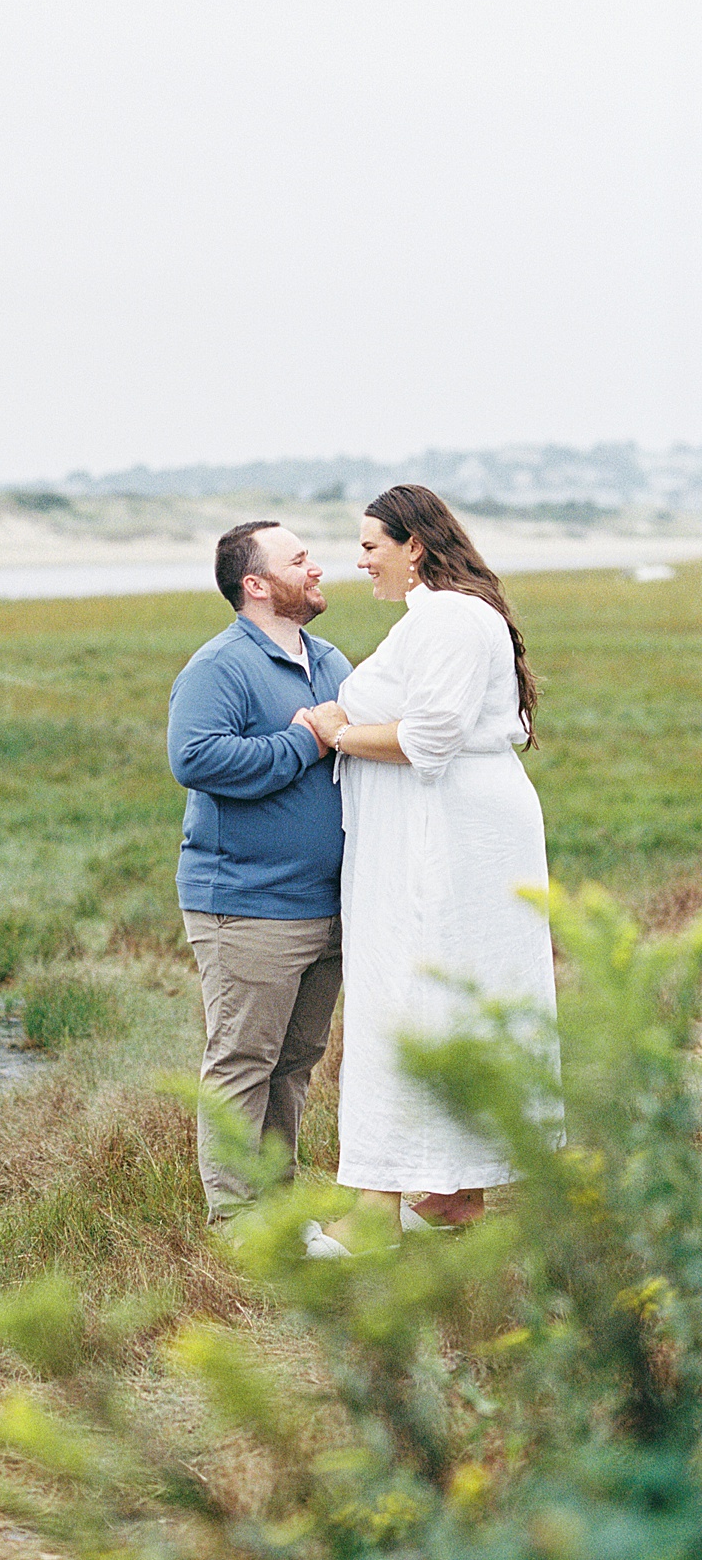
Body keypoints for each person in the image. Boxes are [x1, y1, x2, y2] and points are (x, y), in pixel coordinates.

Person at [298, 485, 560, 1254]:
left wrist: (340, 730)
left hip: (438, 845)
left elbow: (431, 738)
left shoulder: (448, 617)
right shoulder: (452, 616)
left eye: (372, 544)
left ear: (415, 545)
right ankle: (452, 1194)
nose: (359, 558)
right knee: (451, 996)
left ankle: (374, 1216)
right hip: (453, 835)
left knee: (404, 996)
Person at [168, 520, 352, 1221]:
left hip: (325, 907)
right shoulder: (219, 667)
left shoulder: (331, 660)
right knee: (243, 1062)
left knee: (294, 1065)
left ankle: (277, 1215)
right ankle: (237, 1227)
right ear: (256, 583)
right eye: (300, 560)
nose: (317, 568)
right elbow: (198, 759)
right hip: (247, 904)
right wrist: (302, 740)